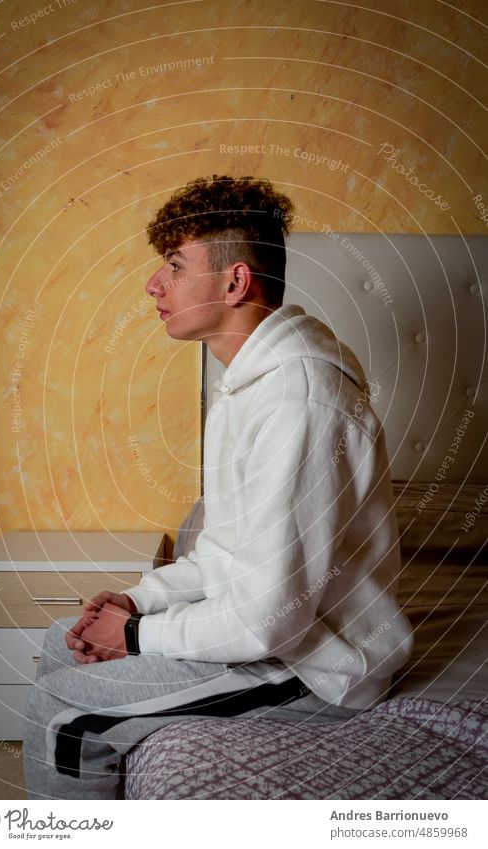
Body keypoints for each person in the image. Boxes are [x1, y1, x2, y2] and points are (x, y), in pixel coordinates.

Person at [23, 175, 414, 800]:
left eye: (175, 266)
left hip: (315, 666)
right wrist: (137, 603)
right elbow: (224, 554)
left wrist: (131, 639)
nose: (154, 284)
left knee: (62, 711)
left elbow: (269, 622)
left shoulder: (298, 402)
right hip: (270, 635)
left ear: (235, 282)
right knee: (58, 642)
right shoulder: (245, 385)